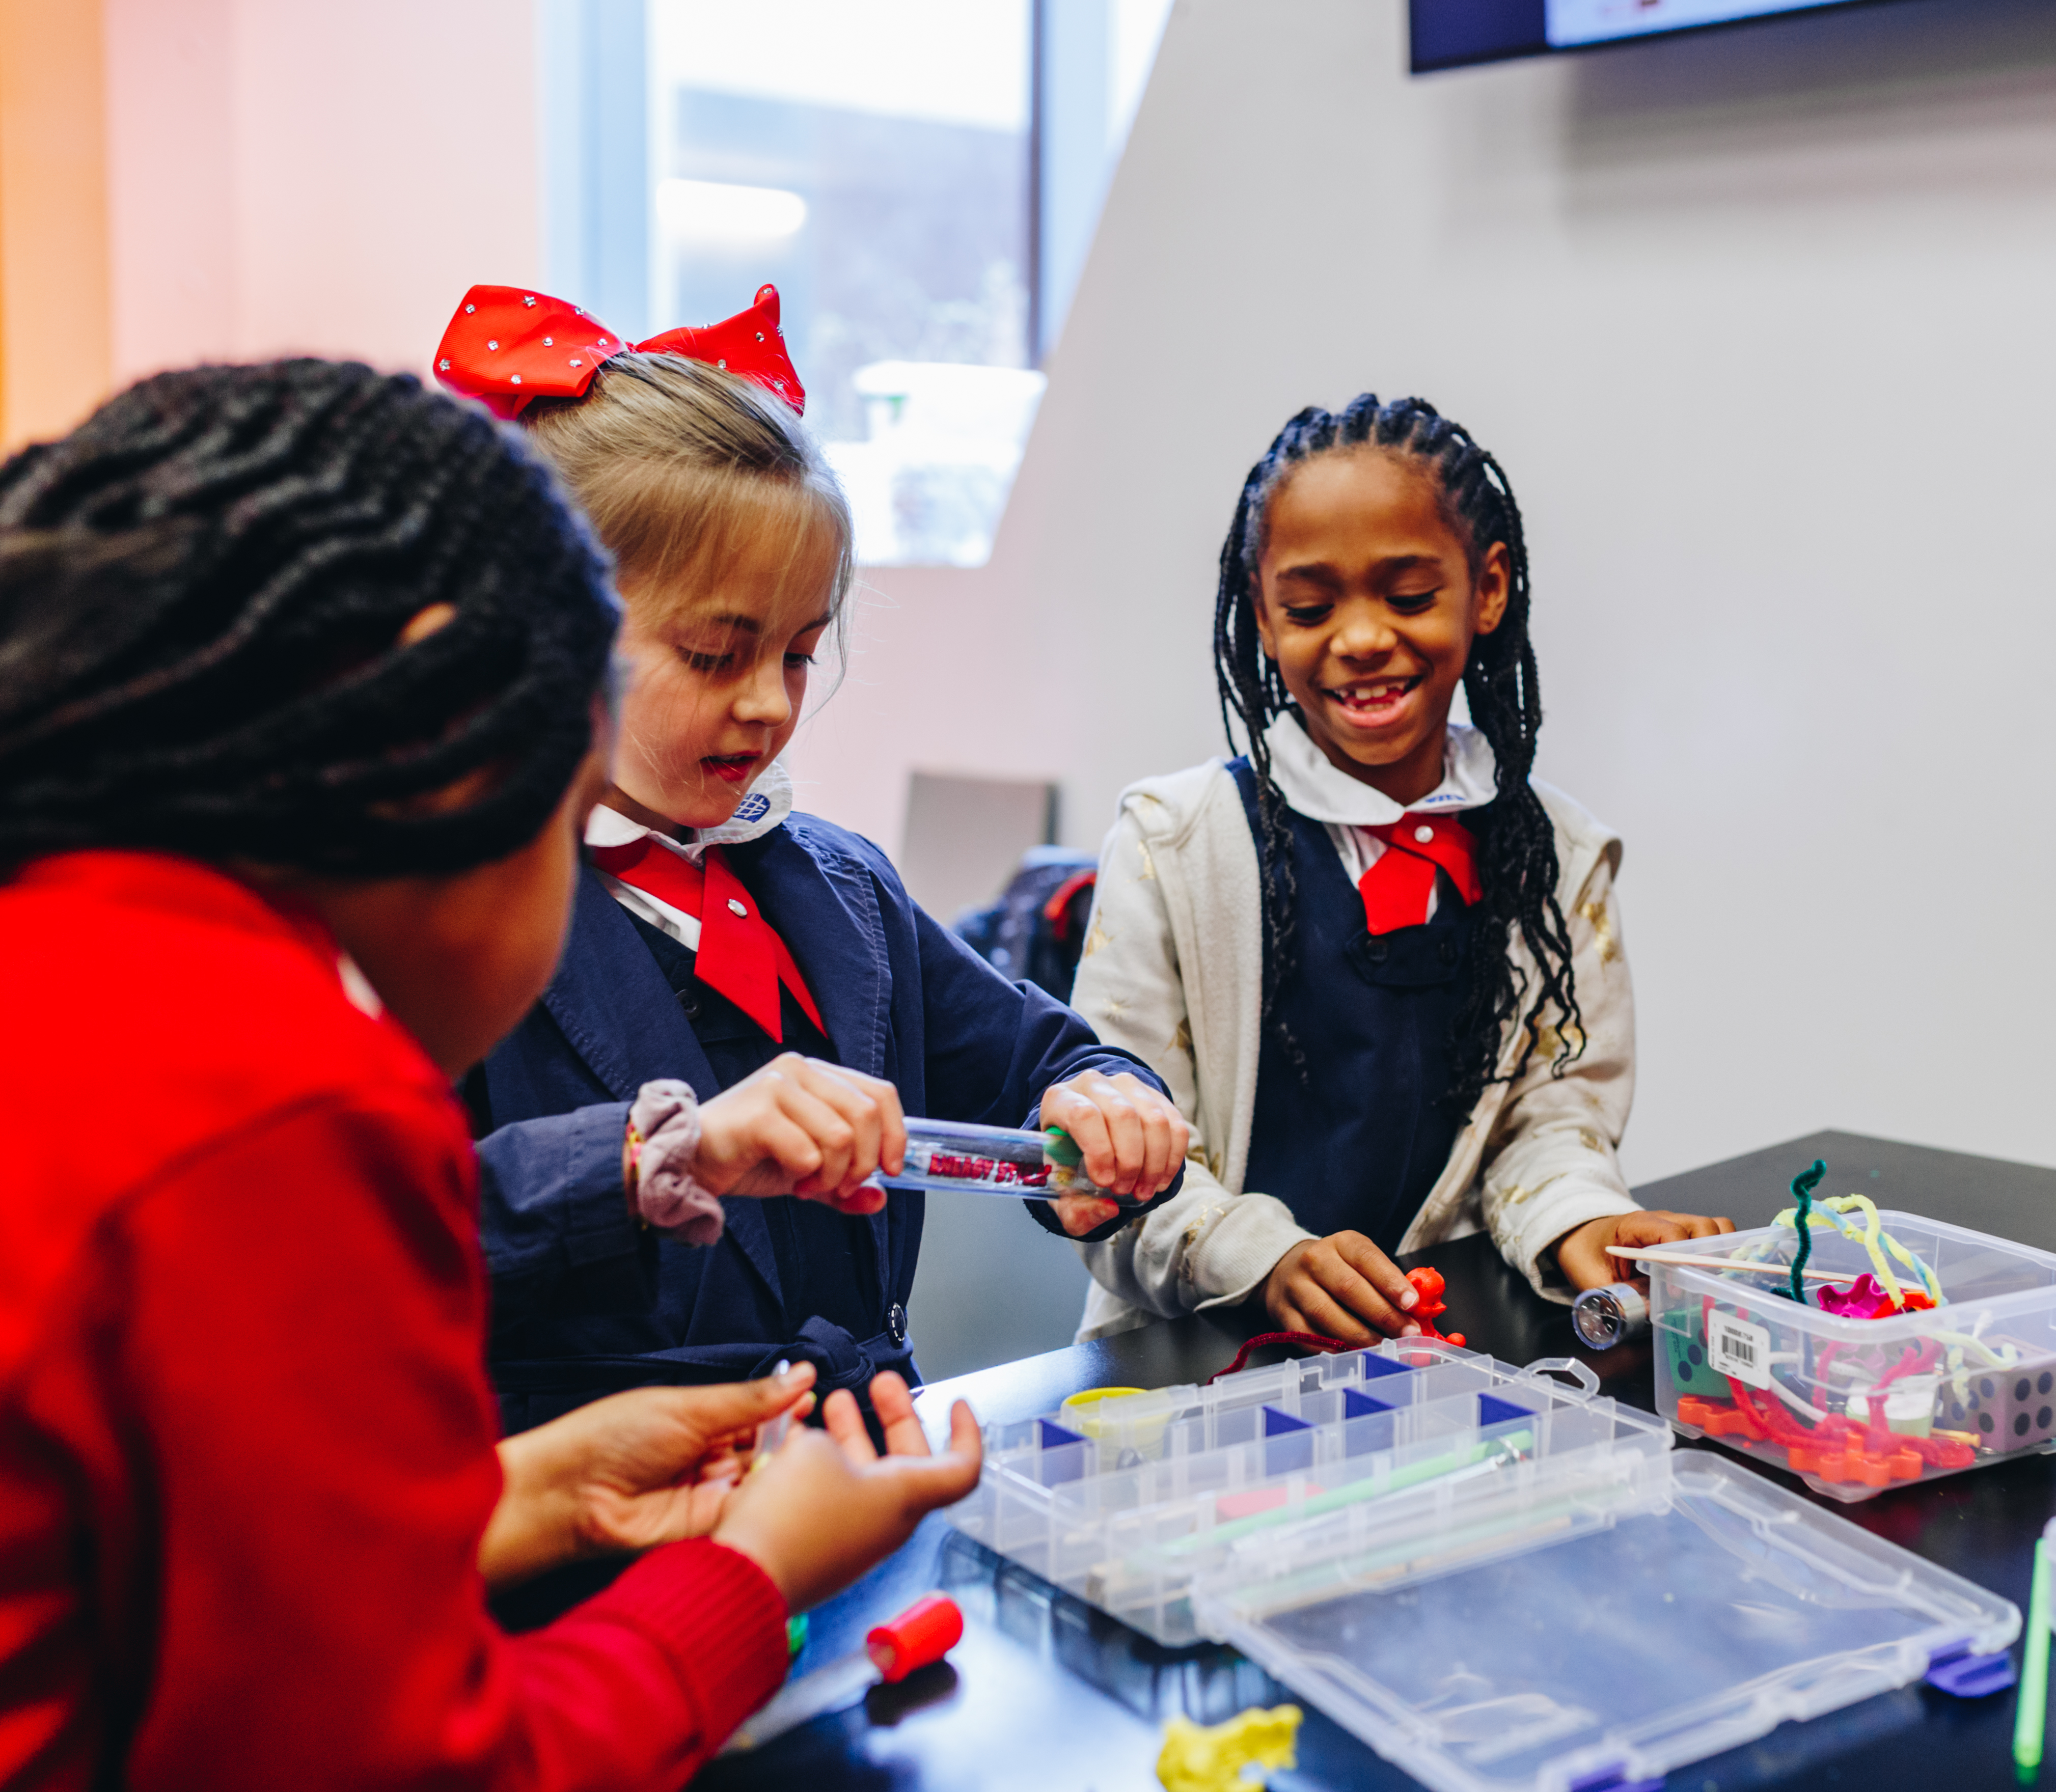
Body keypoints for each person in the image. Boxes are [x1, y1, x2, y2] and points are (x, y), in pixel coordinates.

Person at [0, 360, 979, 1789]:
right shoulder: (278, 1108)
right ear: (464, 772)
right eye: (579, 803)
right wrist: (754, 1576)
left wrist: (531, 1494)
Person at [432, 285, 1192, 1429]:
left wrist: (1105, 1110)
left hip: (859, 1470)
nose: (764, 706)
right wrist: (664, 1150)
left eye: (796, 655)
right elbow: (396, 1230)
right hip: (597, 1527)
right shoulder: (453, 917)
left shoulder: (842, 887)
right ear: (545, 627)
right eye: (711, 653)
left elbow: (1033, 1054)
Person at [1070, 394, 1730, 1343]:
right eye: (1308, 607)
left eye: (1410, 597)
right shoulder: (1173, 846)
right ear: (1260, 615)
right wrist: (1263, 1258)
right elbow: (1110, 1168)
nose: (1362, 638)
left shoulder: (1557, 856)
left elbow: (1545, 1117)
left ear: (1488, 591)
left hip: (1441, 1365)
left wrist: (1584, 1218)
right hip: (1192, 1374)